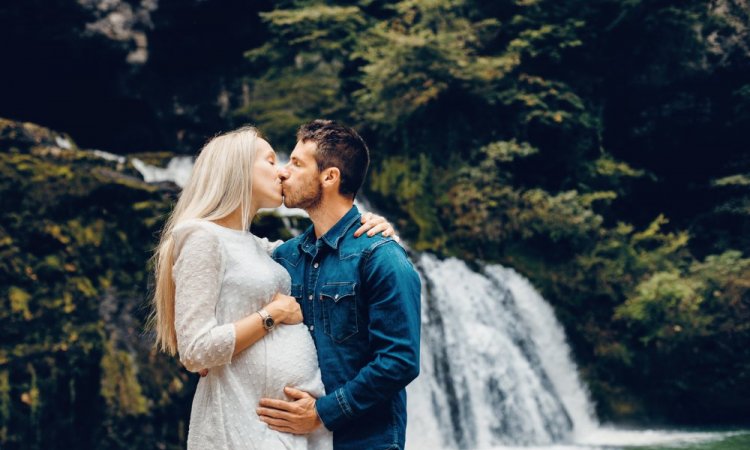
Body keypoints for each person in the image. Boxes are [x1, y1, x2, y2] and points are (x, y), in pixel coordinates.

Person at [149, 126, 395, 450]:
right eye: (269, 160)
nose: (281, 171)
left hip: (282, 431)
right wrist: (272, 315)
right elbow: (195, 351)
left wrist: (370, 226)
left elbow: (324, 245)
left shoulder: (263, 248)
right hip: (239, 426)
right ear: (236, 170)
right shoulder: (202, 237)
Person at [257, 120, 421, 450]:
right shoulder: (286, 258)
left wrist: (322, 412)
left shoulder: (381, 256)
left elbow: (399, 361)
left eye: (297, 163)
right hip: (293, 442)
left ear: (330, 177)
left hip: (364, 442)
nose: (284, 173)